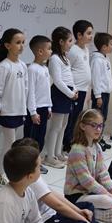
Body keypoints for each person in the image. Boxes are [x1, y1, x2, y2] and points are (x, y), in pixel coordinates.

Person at [12, 138, 110, 223]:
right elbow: (58, 206)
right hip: (46, 221)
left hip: (53, 214)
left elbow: (55, 195)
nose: (41, 162)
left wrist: (79, 212)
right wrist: (84, 221)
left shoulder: (34, 176)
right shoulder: (31, 181)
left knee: (88, 206)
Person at [0, 28, 28, 186]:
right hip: (7, 111)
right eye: (18, 42)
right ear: (8, 45)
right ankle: (0, 174)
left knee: (16, 145)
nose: (21, 46)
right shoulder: (4, 66)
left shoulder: (22, 65)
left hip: (19, 110)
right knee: (9, 144)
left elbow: (25, 88)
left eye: (23, 42)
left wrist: (25, 107)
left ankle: (13, 172)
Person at [44, 26, 77, 168]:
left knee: (63, 126)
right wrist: (70, 93)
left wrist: (74, 89)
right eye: (69, 41)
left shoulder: (65, 58)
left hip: (68, 94)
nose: (71, 43)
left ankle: (58, 153)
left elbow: (69, 77)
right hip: (59, 94)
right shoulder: (54, 58)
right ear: (61, 42)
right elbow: (57, 81)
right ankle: (49, 156)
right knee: (56, 127)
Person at [24, 35, 53, 174]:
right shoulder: (32, 69)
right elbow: (30, 92)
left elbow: (46, 90)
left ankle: (36, 163)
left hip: (43, 108)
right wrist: (33, 112)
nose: (51, 51)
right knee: (31, 139)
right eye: (49, 48)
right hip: (34, 111)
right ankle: (28, 165)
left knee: (40, 138)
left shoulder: (45, 68)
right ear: (40, 51)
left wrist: (49, 106)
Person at [63, 20, 93, 152]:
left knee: (77, 118)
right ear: (79, 35)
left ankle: (73, 140)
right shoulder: (73, 50)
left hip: (83, 89)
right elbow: (67, 70)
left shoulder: (86, 49)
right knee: (71, 118)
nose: (91, 36)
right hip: (75, 90)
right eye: (88, 33)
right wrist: (73, 88)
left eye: (91, 33)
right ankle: (67, 143)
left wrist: (88, 89)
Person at [91, 32, 112, 151]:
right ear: (104, 47)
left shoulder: (105, 58)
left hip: (106, 93)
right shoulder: (97, 60)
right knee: (97, 118)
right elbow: (96, 79)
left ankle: (100, 138)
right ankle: (94, 140)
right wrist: (98, 96)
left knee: (103, 117)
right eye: (111, 44)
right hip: (99, 94)